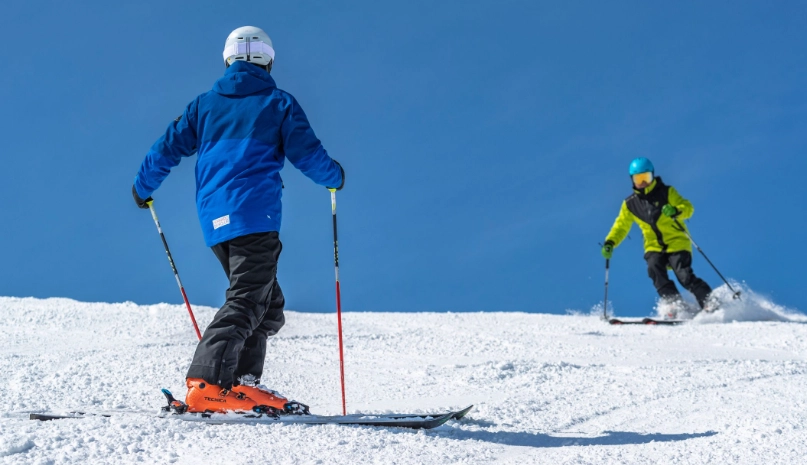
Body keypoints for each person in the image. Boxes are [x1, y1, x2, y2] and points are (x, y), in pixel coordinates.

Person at [132, 26, 344, 414]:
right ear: (267, 60)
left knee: (268, 302)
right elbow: (309, 154)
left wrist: (142, 187)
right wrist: (335, 177)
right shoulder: (278, 102)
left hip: (215, 220)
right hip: (255, 214)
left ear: (228, 60)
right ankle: (208, 381)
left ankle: (242, 384)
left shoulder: (204, 105)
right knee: (249, 297)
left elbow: (166, 147)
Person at [601, 158, 714, 316]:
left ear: (652, 176)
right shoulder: (630, 204)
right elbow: (621, 226)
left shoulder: (667, 192)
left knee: (684, 275)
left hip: (676, 242)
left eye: (645, 178)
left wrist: (675, 210)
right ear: (632, 180)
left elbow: (687, 207)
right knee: (654, 268)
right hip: (653, 246)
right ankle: (674, 304)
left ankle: (709, 302)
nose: (643, 183)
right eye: (638, 179)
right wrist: (610, 242)